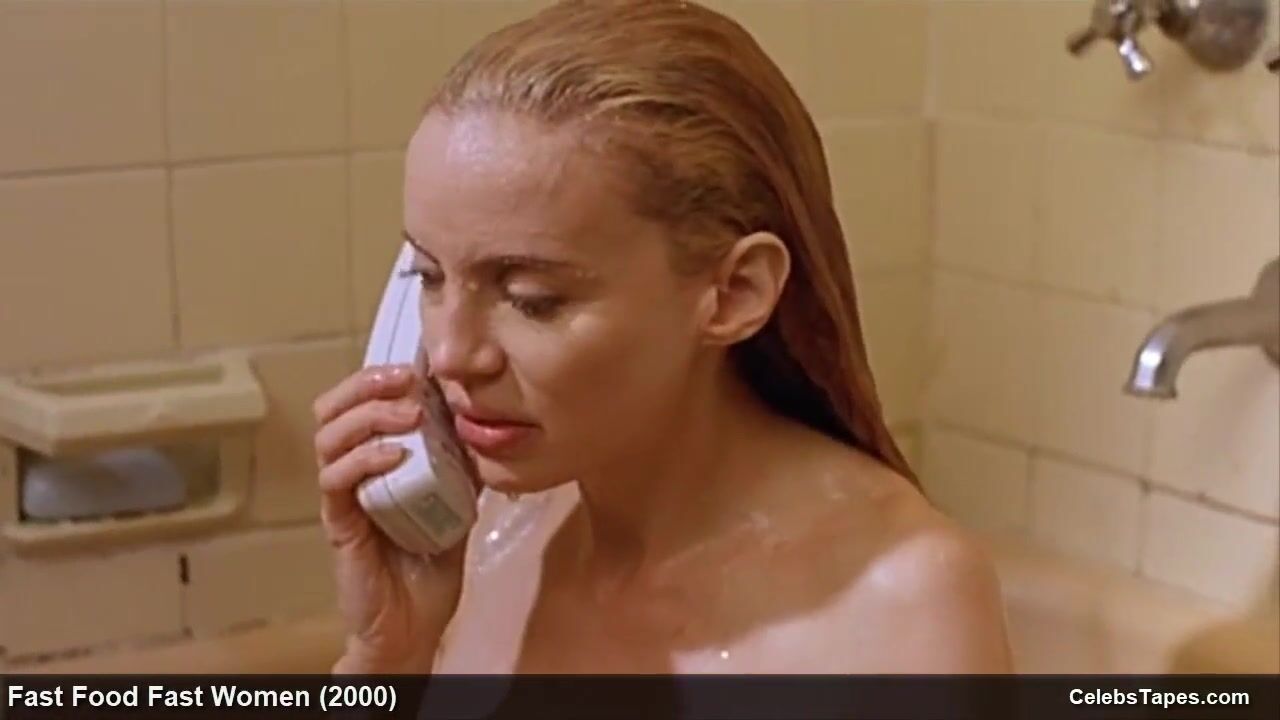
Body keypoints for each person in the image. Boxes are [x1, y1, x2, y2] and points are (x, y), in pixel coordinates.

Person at [312, 0, 1012, 674]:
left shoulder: (899, 604)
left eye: (533, 300)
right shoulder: (495, 535)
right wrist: (389, 658)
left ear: (735, 293)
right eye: (429, 277)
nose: (450, 355)